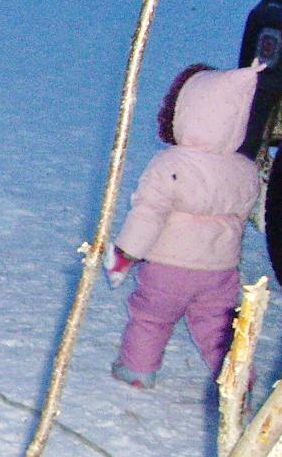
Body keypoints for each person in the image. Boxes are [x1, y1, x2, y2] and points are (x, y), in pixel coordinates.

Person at [105, 62, 264, 389]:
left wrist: (126, 253)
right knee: (218, 325)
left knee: (151, 317)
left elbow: (149, 213)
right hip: (220, 269)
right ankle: (236, 379)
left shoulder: (172, 165)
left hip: (169, 267)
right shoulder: (245, 170)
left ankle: (138, 369)